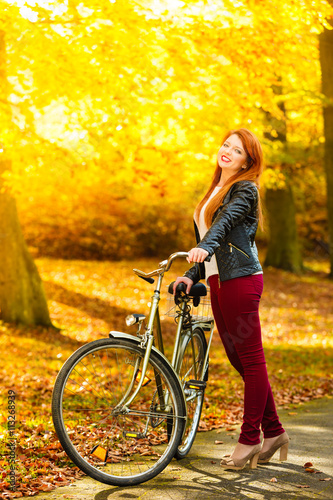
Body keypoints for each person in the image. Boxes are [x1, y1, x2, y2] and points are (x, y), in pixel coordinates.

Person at [173, 128, 289, 471]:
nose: (227, 151)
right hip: (217, 281)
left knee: (251, 361)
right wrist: (190, 274)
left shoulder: (245, 189)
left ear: (246, 162)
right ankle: (275, 433)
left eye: (236, 150)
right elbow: (207, 237)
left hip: (241, 280)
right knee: (241, 361)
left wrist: (205, 246)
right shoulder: (215, 189)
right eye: (225, 144)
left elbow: (221, 228)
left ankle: (250, 438)